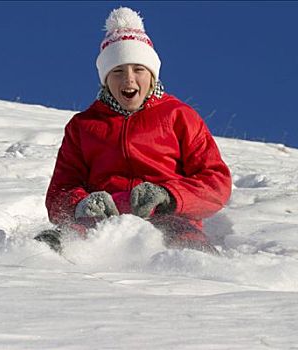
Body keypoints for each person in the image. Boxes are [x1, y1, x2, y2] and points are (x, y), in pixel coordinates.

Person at [39, 7, 232, 253]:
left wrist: (168, 196)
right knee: (56, 244)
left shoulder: (179, 116)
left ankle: (199, 278)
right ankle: (38, 270)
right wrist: (82, 203)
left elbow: (215, 182)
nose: (129, 80)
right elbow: (59, 192)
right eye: (117, 71)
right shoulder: (83, 126)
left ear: (152, 76)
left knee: (188, 248)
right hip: (102, 221)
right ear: (105, 80)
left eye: (138, 69)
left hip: (167, 217)